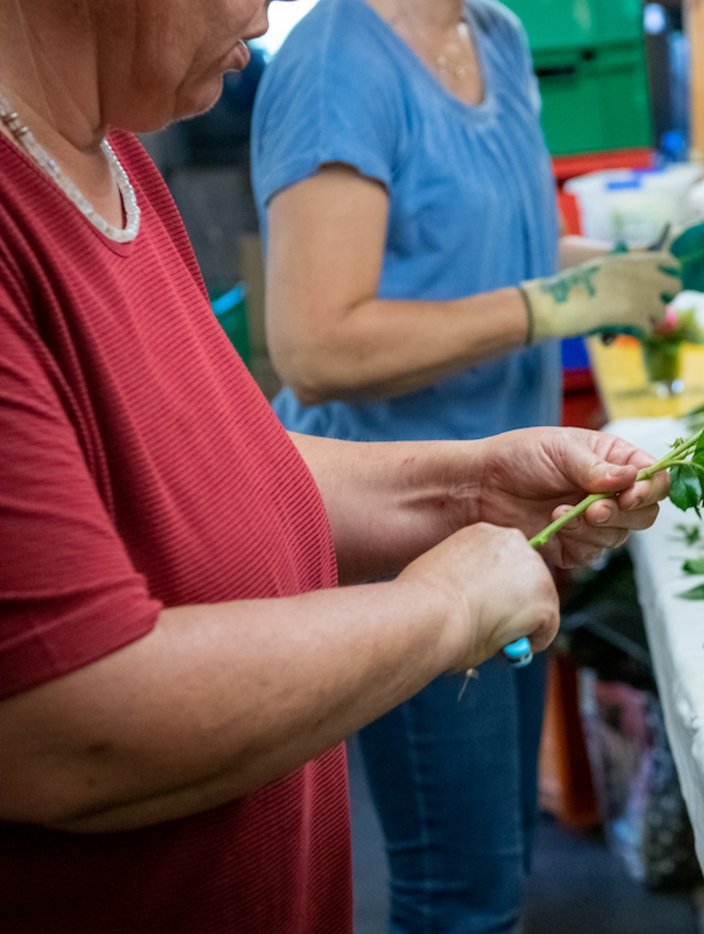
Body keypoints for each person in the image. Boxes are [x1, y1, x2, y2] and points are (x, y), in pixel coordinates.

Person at [0, 1, 667, 931]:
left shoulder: (118, 162)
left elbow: (222, 465)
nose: (266, 8)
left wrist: (466, 487)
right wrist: (445, 607)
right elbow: (68, 726)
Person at [250, 2, 704, 931]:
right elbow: (316, 344)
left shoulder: (498, 36)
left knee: (498, 866)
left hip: (516, 519)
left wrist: (640, 267)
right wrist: (555, 303)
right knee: (462, 892)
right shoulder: (336, 61)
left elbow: (497, 252)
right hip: (404, 531)